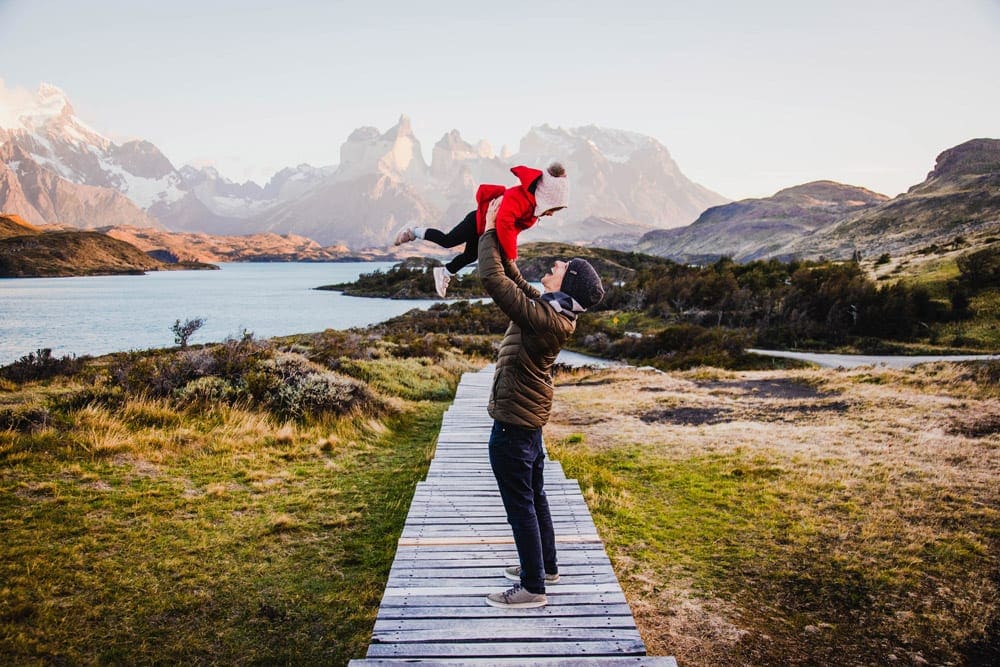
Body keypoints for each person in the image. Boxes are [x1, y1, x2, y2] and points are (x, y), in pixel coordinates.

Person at [477, 198, 606, 609]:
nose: (553, 266)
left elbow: (495, 284)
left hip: (514, 423)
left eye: (561, 268)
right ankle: (545, 567)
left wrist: (486, 231)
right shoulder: (553, 309)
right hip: (527, 423)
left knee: (522, 508)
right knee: (535, 497)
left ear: (567, 285)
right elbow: (513, 280)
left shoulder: (546, 317)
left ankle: (533, 587)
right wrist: (501, 237)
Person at [394, 162, 569, 298]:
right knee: (448, 240)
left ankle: (444, 272)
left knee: (471, 255)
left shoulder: (532, 207)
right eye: (553, 210)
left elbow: (513, 229)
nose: (552, 214)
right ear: (546, 200)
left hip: (483, 230)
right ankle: (413, 231)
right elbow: (504, 222)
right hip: (476, 221)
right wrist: (510, 253)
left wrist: (507, 250)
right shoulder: (519, 197)